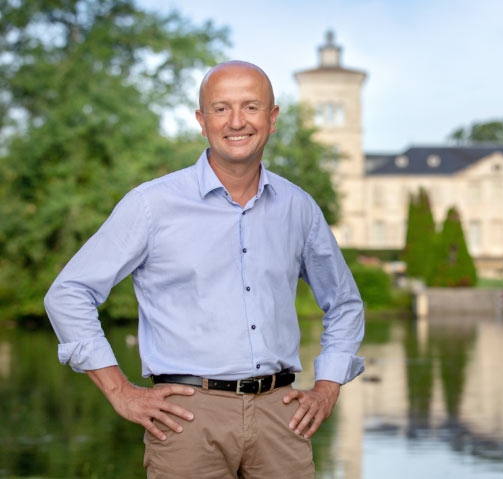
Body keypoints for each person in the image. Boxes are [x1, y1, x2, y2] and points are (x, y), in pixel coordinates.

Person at [44, 61, 365, 479]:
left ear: (272, 119)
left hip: (281, 418)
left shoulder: (297, 207)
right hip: (185, 421)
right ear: (201, 120)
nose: (236, 122)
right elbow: (68, 293)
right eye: (220, 108)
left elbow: (344, 302)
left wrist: (327, 388)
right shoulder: (151, 205)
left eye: (251, 107)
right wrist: (120, 392)